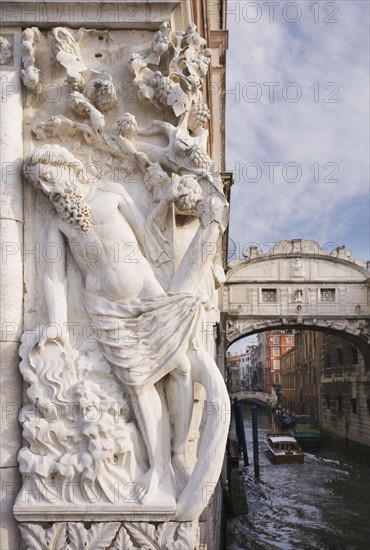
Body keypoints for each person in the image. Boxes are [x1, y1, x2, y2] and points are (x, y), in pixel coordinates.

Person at [24, 143, 228, 507]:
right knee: (139, 384)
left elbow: (150, 238)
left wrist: (171, 202)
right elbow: (54, 277)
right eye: (42, 187)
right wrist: (56, 323)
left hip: (148, 295)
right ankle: (159, 469)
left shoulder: (111, 193)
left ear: (66, 167)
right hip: (105, 309)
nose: (50, 190)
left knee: (179, 367)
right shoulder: (58, 223)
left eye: (50, 179)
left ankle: (179, 453)